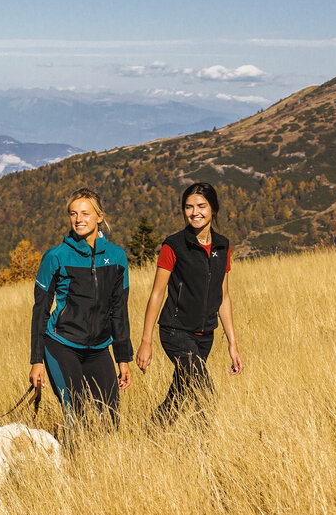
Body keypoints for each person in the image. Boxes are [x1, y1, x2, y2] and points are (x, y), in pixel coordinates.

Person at [136, 182, 242, 425]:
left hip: (205, 334)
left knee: (181, 391)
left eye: (201, 206)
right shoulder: (173, 245)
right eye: (188, 207)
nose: (195, 212)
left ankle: (153, 430)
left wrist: (233, 344)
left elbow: (223, 296)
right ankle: (199, 451)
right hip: (175, 331)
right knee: (205, 392)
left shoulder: (222, 245)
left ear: (213, 209)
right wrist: (146, 341)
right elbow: (157, 294)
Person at [29, 188, 132, 426]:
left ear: (100, 217)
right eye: (73, 214)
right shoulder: (56, 256)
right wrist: (36, 361)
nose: (79, 219)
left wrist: (123, 358)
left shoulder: (117, 257)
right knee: (75, 416)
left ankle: (103, 463)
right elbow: (40, 311)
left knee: (111, 419)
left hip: (98, 348)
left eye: (85, 213)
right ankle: (71, 462)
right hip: (61, 345)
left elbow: (119, 310)